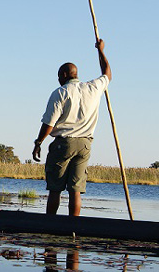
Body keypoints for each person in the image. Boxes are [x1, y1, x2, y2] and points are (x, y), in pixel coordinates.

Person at [32, 39, 111, 216]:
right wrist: (101, 51)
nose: (58, 79)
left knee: (55, 188)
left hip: (63, 144)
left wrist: (38, 142)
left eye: (59, 75)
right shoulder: (93, 87)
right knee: (75, 189)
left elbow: (49, 123)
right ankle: (73, 226)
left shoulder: (60, 93)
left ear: (66, 74)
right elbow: (107, 74)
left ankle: (50, 223)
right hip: (85, 144)